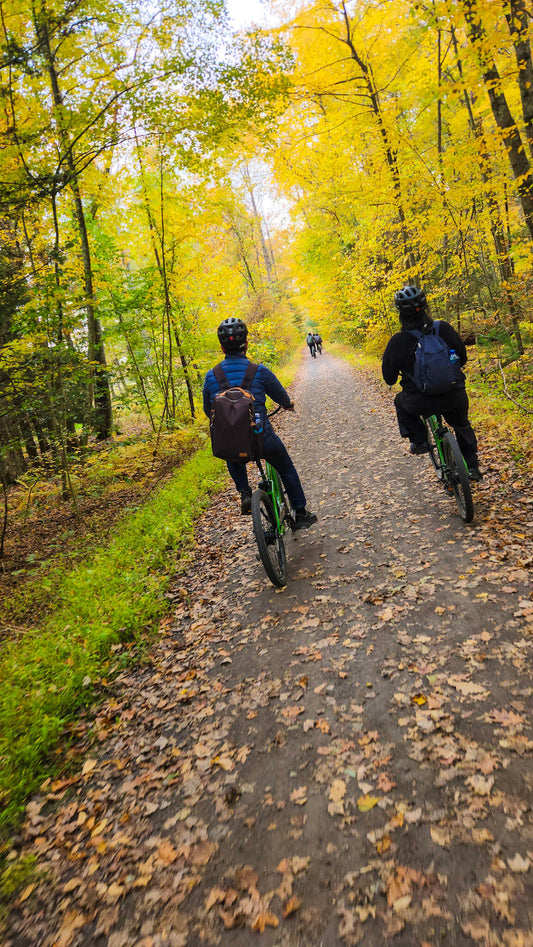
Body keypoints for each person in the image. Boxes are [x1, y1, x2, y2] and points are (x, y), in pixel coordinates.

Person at [203, 318, 318, 527]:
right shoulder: (259, 371)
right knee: (286, 467)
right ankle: (300, 512)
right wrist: (287, 405)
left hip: (232, 443)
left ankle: (245, 492)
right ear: (246, 344)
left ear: (221, 348)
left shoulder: (212, 376)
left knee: (232, 450)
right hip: (262, 438)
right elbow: (281, 397)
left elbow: (207, 411)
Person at [382, 286, 482, 481]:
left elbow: (389, 378)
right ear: (426, 306)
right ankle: (472, 467)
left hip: (420, 401)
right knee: (461, 424)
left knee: (399, 401)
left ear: (400, 313)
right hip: (454, 394)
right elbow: (462, 358)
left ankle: (419, 441)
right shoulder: (443, 328)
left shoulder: (397, 341)